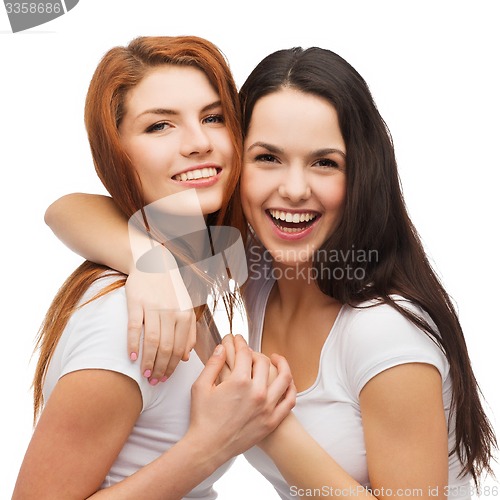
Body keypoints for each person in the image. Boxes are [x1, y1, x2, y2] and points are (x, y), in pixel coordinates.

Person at [44, 45, 497, 498]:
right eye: (268, 158)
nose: (294, 189)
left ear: (363, 173)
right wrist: (151, 262)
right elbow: (65, 210)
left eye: (325, 162)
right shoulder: (259, 268)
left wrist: (266, 425)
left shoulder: (383, 331)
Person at [13, 36, 296, 499]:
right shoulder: (125, 319)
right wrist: (211, 445)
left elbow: (66, 209)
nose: (199, 142)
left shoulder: (190, 274)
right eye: (160, 126)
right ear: (116, 152)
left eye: (213, 117)